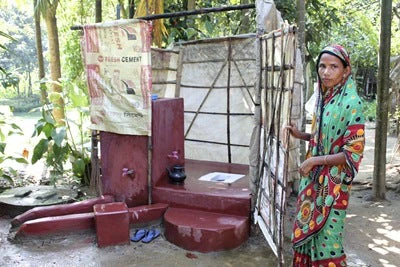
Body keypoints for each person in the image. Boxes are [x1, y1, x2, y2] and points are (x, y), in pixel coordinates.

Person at [285, 44, 365, 266]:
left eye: (333, 67)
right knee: (307, 232)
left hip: (335, 185)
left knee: (329, 241)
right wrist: (299, 134)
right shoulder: (325, 99)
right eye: (322, 66)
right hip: (313, 182)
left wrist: (313, 161)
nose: (326, 72)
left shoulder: (352, 104)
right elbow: (323, 137)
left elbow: (351, 152)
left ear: (346, 71)